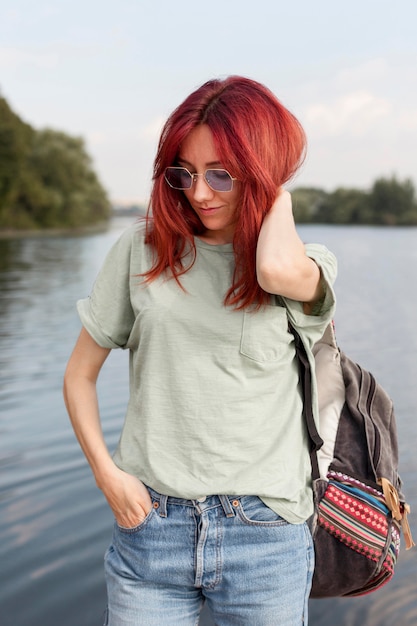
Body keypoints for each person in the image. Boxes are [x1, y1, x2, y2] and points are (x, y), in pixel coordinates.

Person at [63, 75, 337, 626]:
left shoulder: (308, 267)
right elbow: (78, 376)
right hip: (151, 529)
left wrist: (275, 193)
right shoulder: (140, 250)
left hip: (264, 536)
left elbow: (273, 269)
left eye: (222, 174)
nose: (200, 193)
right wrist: (107, 474)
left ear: (262, 175)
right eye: (183, 173)